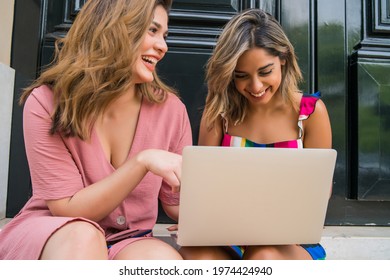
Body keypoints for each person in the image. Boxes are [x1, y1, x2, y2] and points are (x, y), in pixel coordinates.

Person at [0, 0, 192, 260]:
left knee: (164, 262)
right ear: (113, 29)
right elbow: (67, 209)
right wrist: (141, 162)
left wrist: (231, 217)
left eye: (164, 35)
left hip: (129, 239)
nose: (163, 46)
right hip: (56, 230)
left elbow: (175, 202)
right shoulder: (46, 102)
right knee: (83, 237)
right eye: (152, 30)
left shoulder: (171, 110)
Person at [179, 8, 332, 260]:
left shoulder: (311, 113)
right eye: (241, 76)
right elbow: (204, 186)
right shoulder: (219, 112)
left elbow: (318, 193)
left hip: (288, 241)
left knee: (264, 256)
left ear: (283, 58)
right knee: (198, 258)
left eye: (265, 72)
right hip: (226, 235)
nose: (256, 87)